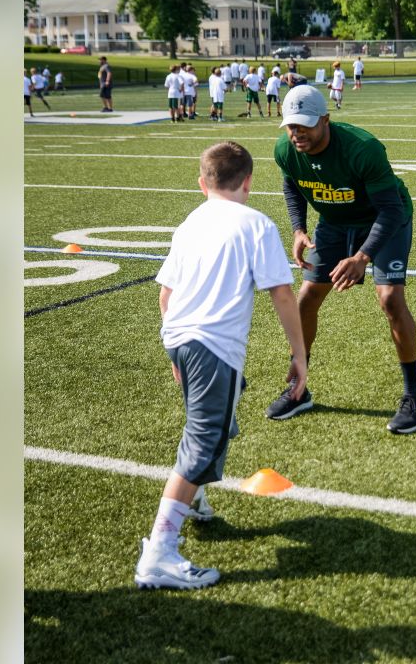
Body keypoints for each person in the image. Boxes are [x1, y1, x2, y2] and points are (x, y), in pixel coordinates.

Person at [135, 140, 308, 590]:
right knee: (203, 439)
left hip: (180, 337)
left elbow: (165, 295)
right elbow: (283, 294)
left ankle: (194, 501)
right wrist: (299, 354)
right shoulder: (256, 224)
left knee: (212, 420)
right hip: (212, 345)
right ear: (248, 182)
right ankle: (160, 553)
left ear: (202, 183)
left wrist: (176, 347)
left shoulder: (191, 221)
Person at [269, 86, 416, 435]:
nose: (297, 133)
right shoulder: (286, 149)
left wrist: (362, 257)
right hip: (335, 223)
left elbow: (390, 208)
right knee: (306, 298)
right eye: (291, 126)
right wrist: (298, 229)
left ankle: (413, 397)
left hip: (384, 219)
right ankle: (299, 389)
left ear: (325, 120)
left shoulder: (362, 148)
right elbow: (292, 185)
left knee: (390, 299)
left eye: (305, 125)